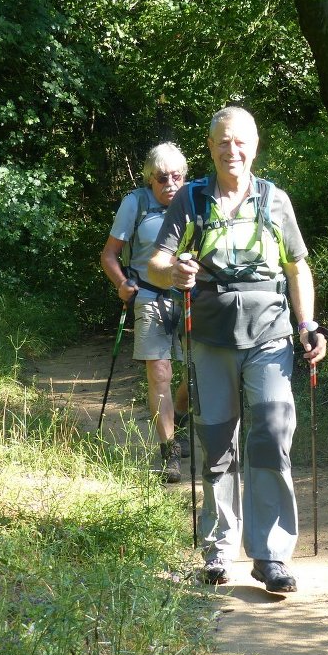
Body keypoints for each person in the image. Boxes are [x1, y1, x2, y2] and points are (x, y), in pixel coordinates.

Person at [148, 107, 327, 592]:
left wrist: (308, 325)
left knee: (270, 433)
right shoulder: (190, 198)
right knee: (217, 442)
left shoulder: (275, 200)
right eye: (223, 142)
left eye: (241, 142)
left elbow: (297, 268)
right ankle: (220, 549)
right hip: (209, 336)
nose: (233, 151)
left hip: (270, 334)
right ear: (210, 147)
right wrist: (174, 273)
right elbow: (156, 262)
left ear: (255, 145)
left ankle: (271, 556)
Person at [100, 142, 191, 483]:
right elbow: (109, 254)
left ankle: (179, 419)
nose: (169, 183)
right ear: (150, 178)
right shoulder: (135, 203)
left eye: (176, 176)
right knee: (160, 372)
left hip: (193, 299)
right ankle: (169, 451)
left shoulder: (196, 200)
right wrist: (122, 283)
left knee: (196, 373)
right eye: (161, 177)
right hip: (150, 296)